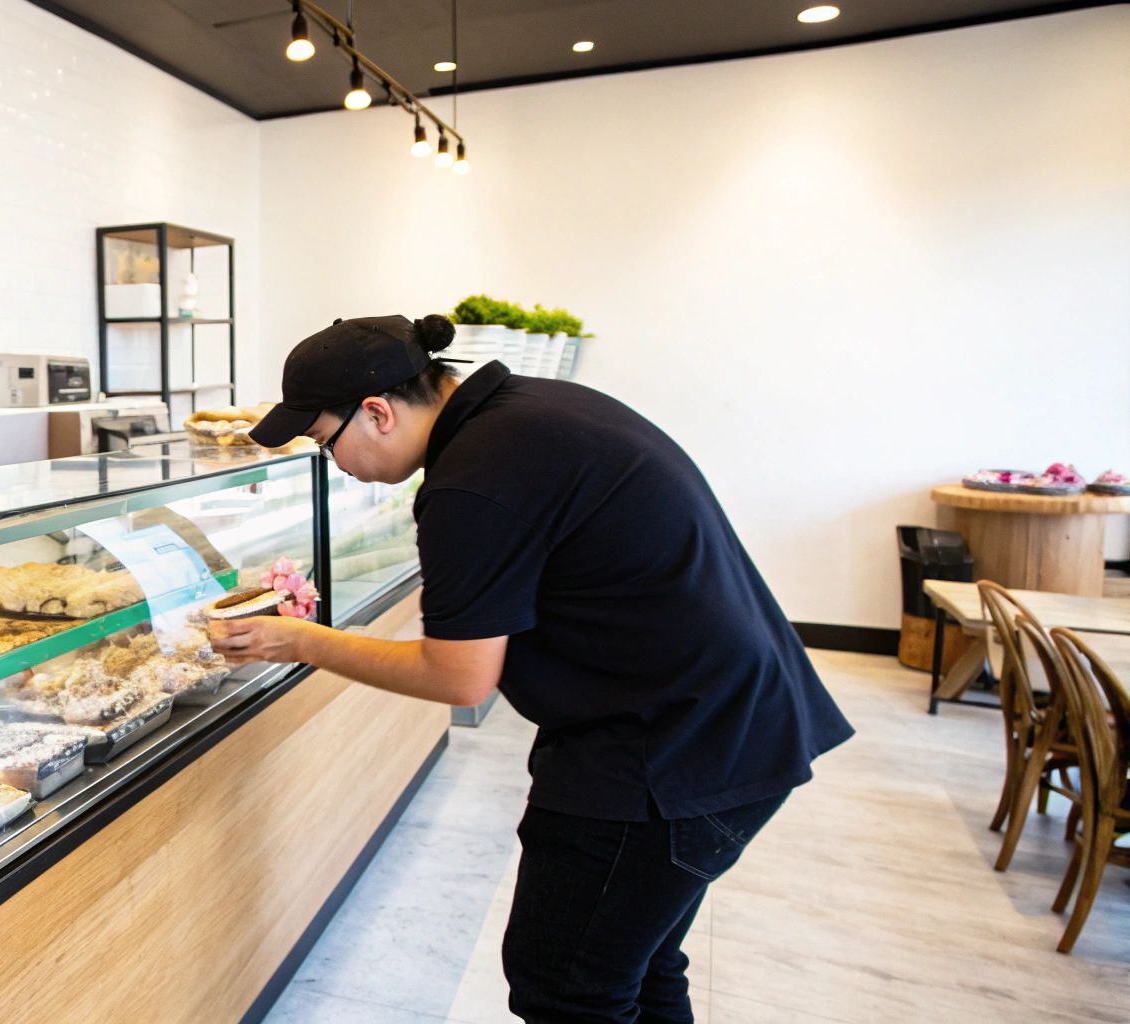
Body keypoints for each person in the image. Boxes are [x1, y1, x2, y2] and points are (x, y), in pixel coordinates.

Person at [211, 314, 854, 1024]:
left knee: (566, 985)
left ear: (378, 413)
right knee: (634, 970)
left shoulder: (473, 481)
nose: (334, 464)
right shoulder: (531, 412)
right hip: (733, 723)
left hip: (666, 757)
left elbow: (459, 678)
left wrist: (299, 641)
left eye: (325, 443)